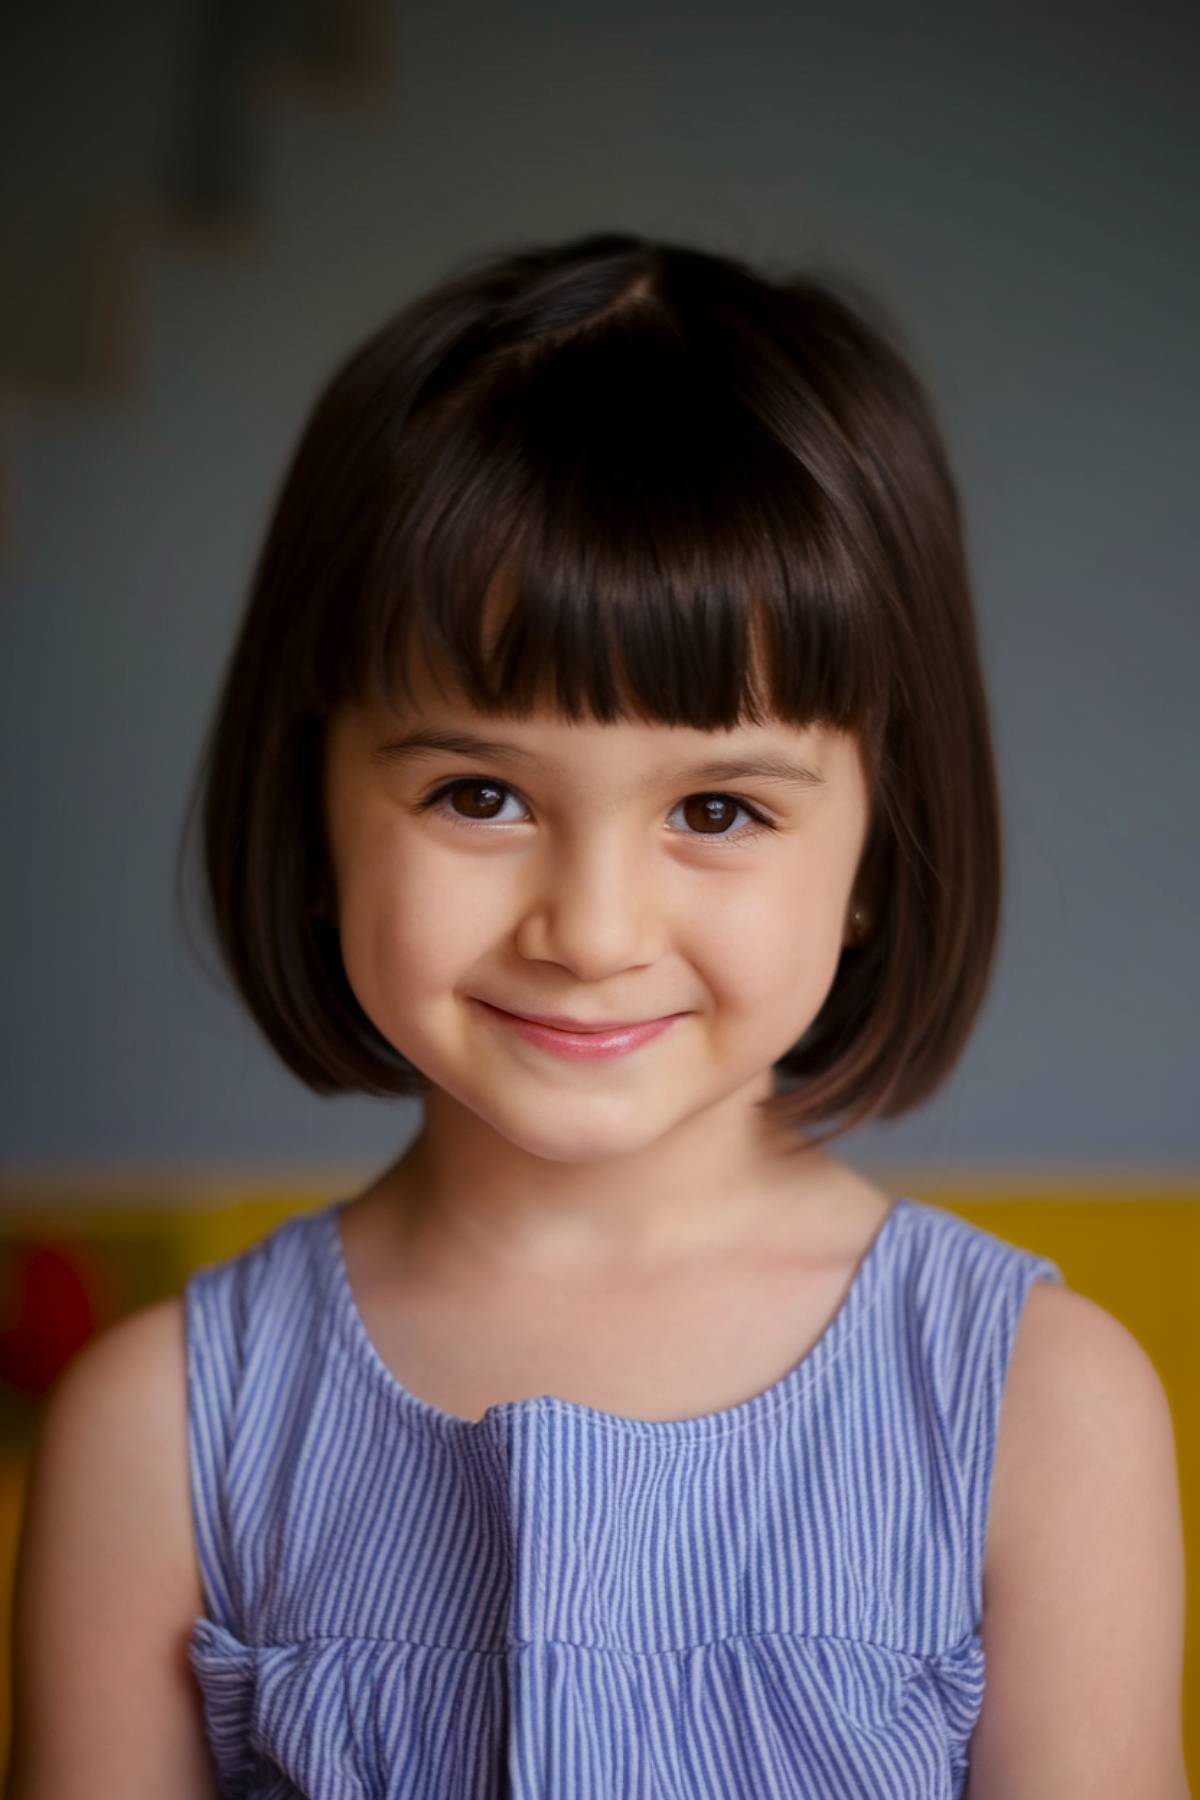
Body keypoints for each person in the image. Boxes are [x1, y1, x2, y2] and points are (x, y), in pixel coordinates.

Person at [7, 233, 1189, 1800]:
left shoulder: (1043, 1409)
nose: (592, 931)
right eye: (478, 793)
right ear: (314, 810)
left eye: (716, 807)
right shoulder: (159, 1432)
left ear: (876, 848)